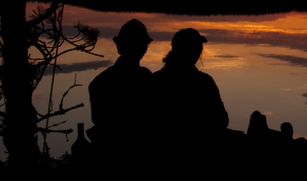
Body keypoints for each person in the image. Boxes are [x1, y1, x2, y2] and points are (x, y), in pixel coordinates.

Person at [152, 28, 229, 158]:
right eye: (195, 47)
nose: (198, 51)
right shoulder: (204, 82)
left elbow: (222, 121)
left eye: (198, 47)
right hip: (193, 150)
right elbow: (221, 121)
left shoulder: (155, 79)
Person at [87, 19, 154, 158]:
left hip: (110, 152)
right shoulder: (146, 78)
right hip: (124, 152)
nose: (141, 49)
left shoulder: (99, 81)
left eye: (141, 45)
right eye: (137, 45)